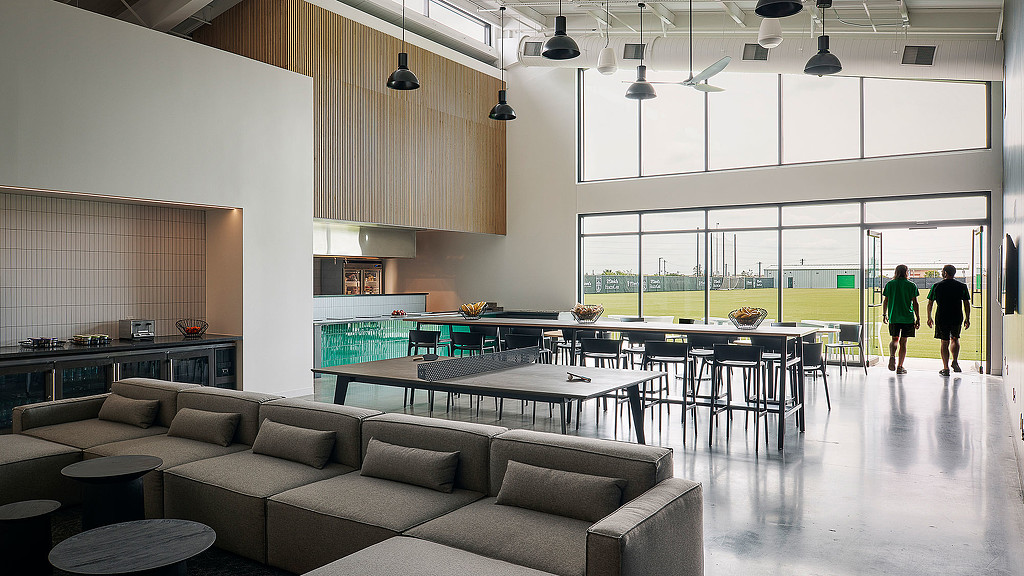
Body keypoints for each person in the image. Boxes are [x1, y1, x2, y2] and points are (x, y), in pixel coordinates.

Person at [926, 264, 972, 376]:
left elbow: (930, 302)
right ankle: (955, 361)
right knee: (955, 339)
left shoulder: (936, 286)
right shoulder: (962, 286)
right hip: (957, 315)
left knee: (944, 341)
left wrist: (929, 317)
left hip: (942, 316)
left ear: (945, 273)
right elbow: (966, 303)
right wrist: (967, 318)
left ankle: (946, 368)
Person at [882, 264, 920, 374]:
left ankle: (892, 356)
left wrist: (884, 315)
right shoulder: (911, 285)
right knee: (903, 342)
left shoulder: (890, 284)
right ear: (906, 272)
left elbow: (886, 301)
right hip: (907, 318)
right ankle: (900, 366)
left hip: (894, 317)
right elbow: (915, 303)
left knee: (894, 339)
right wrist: (918, 318)